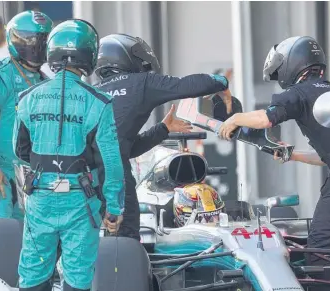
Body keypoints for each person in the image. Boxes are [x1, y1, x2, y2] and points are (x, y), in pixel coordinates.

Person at [218, 36, 330, 291]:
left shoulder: (298, 93)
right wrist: (293, 155)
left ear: (291, 65)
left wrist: (235, 118)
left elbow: (266, 119)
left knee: (318, 253)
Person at [13, 19, 125, 291]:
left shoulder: (27, 96)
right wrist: (113, 208)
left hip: (40, 197)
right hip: (81, 202)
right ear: (90, 55)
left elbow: (19, 150)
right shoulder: (99, 102)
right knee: (77, 276)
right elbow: (111, 162)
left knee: (33, 272)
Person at [93, 33, 232, 241]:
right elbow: (185, 86)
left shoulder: (93, 92)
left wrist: (163, 129)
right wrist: (220, 81)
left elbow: (124, 148)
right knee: (125, 241)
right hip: (114, 176)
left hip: (82, 177)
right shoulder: (141, 82)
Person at [0, 10, 53, 220]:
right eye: (32, 40)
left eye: (42, 40)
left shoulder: (45, 81)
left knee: (28, 242)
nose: (37, 45)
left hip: (32, 177)